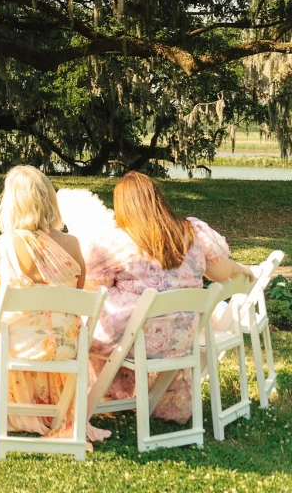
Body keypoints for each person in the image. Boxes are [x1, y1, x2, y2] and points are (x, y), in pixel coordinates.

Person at [0, 166, 107, 442]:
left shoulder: (2, 246)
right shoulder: (73, 245)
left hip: (19, 346)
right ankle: (50, 406)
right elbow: (76, 296)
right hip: (65, 347)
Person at [81, 171, 254, 422]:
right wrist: (240, 268)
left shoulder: (120, 242)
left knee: (86, 327)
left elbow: (98, 285)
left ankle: (108, 397)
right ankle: (128, 398)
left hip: (134, 338)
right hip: (181, 337)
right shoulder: (191, 232)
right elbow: (219, 272)